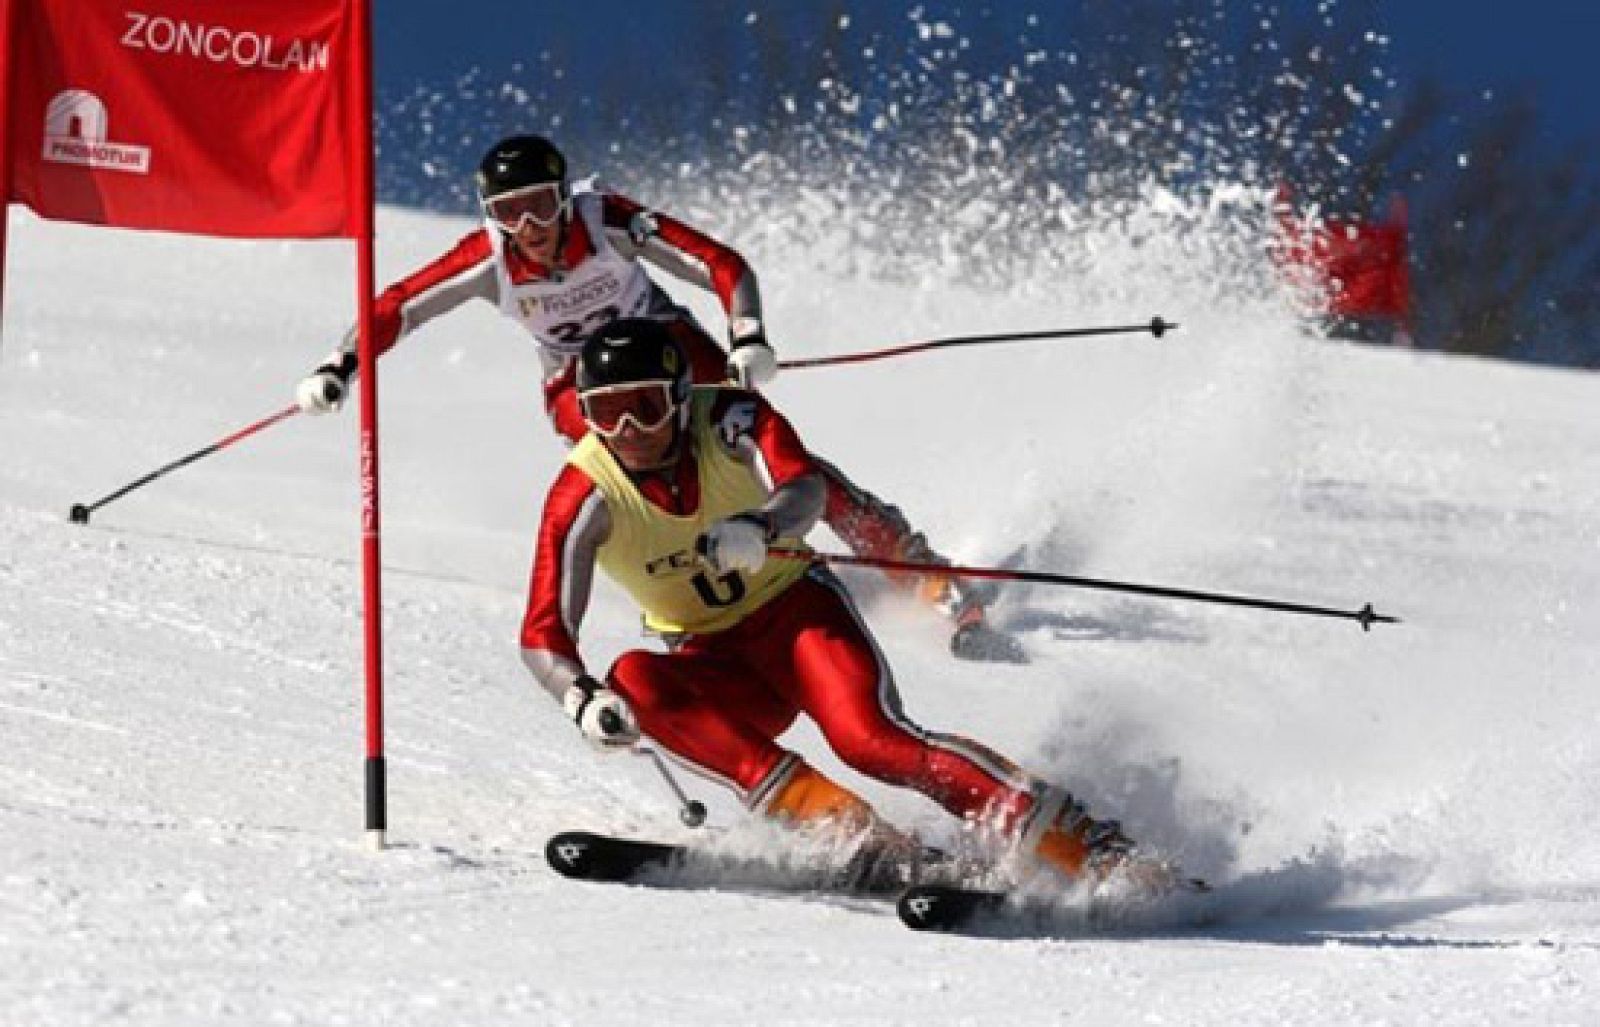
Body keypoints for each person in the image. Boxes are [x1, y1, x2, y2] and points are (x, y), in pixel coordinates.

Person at [293, 134, 1021, 662]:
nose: (532, 228)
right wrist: (342, 363)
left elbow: (719, 262)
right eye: (510, 212)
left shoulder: (605, 219)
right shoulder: (489, 262)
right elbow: (400, 304)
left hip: (675, 353)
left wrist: (748, 335)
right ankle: (708, 609)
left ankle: (918, 568)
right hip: (582, 386)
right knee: (635, 481)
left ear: (562, 194)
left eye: (541, 204)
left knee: (772, 459)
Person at [518, 318, 1152, 889]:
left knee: (872, 741)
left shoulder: (730, 419)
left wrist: (764, 528)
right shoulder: (584, 496)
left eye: (646, 408)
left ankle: (1084, 844)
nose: (629, 433)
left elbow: (807, 488)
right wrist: (581, 698)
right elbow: (543, 633)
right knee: (632, 679)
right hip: (716, 663)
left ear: (681, 397)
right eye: (607, 413)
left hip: (798, 622)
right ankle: (850, 832)